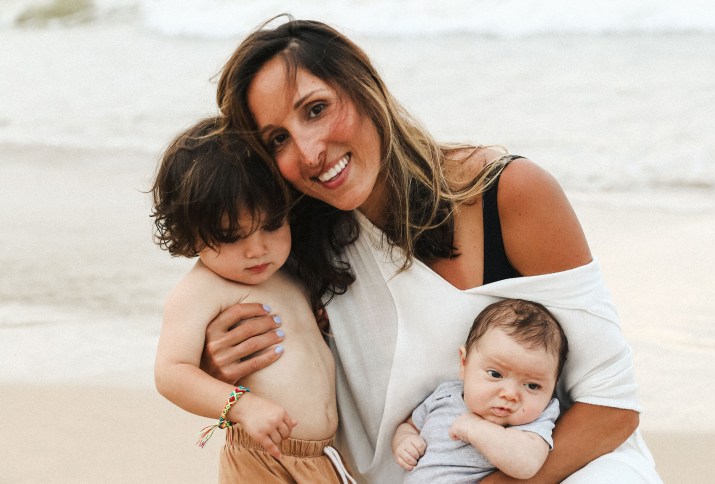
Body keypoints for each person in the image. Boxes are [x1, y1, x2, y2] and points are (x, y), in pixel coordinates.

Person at [202, 16, 662, 483]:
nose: (309, 150)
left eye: (316, 109)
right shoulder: (288, 249)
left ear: (366, 87)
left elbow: (612, 407)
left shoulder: (505, 194)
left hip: (563, 470)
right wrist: (221, 368)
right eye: (278, 139)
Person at [151, 117, 355, 484]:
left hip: (322, 458)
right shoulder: (202, 288)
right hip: (263, 457)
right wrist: (241, 406)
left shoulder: (287, 273)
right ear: (189, 233)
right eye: (231, 236)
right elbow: (171, 373)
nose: (257, 249)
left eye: (272, 225)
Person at [392, 298, 566, 482]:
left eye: (532, 386)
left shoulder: (535, 420)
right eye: (495, 374)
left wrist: (476, 429)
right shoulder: (445, 395)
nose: (509, 394)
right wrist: (404, 441)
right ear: (464, 363)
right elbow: (410, 425)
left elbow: (527, 465)